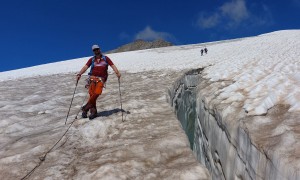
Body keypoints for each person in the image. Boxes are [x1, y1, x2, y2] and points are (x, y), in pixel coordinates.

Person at [76, 44, 121, 119]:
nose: (96, 51)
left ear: (99, 49)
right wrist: (79, 74)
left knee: (97, 92)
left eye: (97, 49)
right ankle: (93, 112)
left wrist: (117, 72)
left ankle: (86, 108)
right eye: (94, 50)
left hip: (101, 79)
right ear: (93, 51)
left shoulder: (106, 58)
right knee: (92, 94)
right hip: (92, 78)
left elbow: (112, 65)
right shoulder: (92, 59)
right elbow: (85, 67)